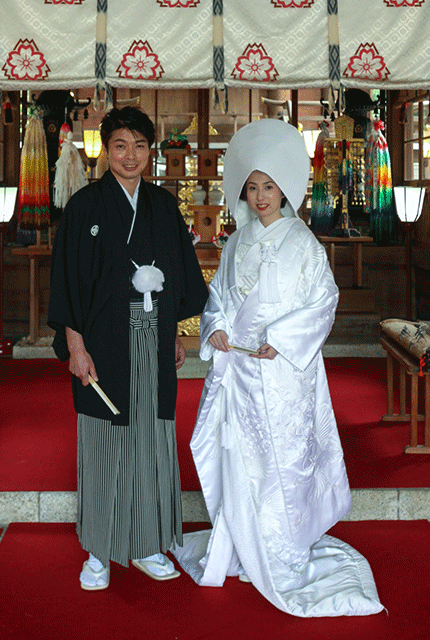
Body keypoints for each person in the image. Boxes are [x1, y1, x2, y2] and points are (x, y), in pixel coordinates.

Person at [172, 119, 384, 617]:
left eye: (269, 186)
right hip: (240, 373)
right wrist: (217, 328)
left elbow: (323, 302)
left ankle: (282, 549)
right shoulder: (234, 244)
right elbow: (218, 297)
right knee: (242, 460)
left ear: (284, 189)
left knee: (283, 461)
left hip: (284, 371)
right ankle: (242, 544)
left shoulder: (305, 244)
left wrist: (282, 340)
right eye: (253, 187)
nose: (261, 195)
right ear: (243, 191)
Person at [48, 106, 208, 591]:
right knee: (103, 443)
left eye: (140, 145)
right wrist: (75, 346)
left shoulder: (162, 206)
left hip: (153, 338)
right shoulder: (85, 207)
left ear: (150, 151)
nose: (131, 155)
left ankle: (146, 542)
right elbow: (67, 282)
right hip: (101, 342)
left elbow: (180, 273)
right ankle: (99, 549)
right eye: (120, 145)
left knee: (151, 444)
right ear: (106, 150)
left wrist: (178, 331)